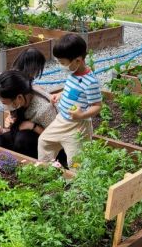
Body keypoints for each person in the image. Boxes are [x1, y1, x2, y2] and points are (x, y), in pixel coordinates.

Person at [38, 34, 102, 166]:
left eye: (62, 63)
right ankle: (47, 171)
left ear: (77, 61)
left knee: (76, 161)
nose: (61, 66)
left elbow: (97, 106)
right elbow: (73, 90)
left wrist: (82, 114)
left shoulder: (90, 82)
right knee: (44, 142)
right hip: (62, 120)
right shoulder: (73, 73)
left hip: (77, 127)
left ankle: (75, 183)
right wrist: (61, 94)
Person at [0, 70, 57, 159]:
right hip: (23, 135)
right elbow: (11, 119)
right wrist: (10, 119)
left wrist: (33, 126)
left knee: (22, 139)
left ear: (19, 98)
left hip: (45, 145)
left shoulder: (43, 109)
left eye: (5, 103)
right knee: (0, 140)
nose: (5, 106)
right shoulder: (22, 97)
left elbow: (55, 139)